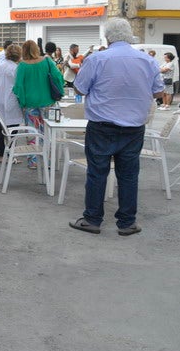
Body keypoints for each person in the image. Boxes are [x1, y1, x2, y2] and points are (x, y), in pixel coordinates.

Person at [69, 18, 164, 237]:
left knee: (97, 172)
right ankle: (127, 223)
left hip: (102, 126)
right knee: (129, 175)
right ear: (129, 36)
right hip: (133, 128)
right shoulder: (147, 61)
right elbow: (158, 91)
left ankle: (92, 219)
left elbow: (81, 89)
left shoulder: (97, 59)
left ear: (108, 37)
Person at [12, 40, 64, 170]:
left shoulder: (22, 66)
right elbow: (58, 77)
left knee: (32, 131)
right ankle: (49, 159)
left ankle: (33, 160)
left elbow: (18, 86)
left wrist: (22, 102)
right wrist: (60, 92)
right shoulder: (47, 61)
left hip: (29, 104)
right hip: (48, 102)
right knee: (48, 130)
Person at [0, 44, 22, 163]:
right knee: (13, 129)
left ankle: (1, 155)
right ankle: (11, 155)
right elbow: (18, 86)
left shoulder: (0, 66)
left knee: (1, 129)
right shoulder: (16, 68)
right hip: (11, 100)